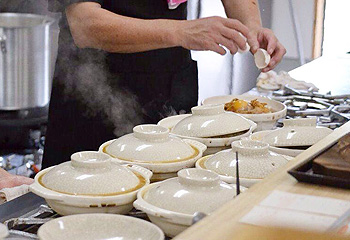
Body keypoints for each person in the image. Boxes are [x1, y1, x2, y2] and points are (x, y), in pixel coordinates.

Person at [42, 0, 286, 168]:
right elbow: (85, 25)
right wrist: (181, 32)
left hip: (171, 88)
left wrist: (252, 27)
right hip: (95, 95)